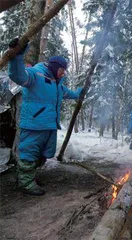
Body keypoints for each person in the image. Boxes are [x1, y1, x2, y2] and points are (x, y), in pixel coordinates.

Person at [7, 38, 82, 196]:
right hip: (33, 124)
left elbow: (70, 94)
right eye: (62, 69)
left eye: (64, 70)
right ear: (55, 67)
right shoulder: (35, 74)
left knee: (41, 155)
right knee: (28, 153)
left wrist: (81, 92)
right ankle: (25, 183)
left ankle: (29, 177)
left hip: (48, 126)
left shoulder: (57, 83)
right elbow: (17, 75)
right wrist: (17, 55)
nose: (63, 72)